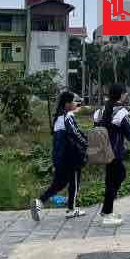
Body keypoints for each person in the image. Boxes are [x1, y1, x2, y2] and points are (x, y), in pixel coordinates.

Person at [93, 84, 130, 227]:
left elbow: (96, 130)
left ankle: (106, 210)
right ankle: (107, 214)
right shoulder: (121, 112)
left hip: (102, 151)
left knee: (113, 179)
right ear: (121, 95)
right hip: (114, 153)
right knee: (116, 178)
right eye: (125, 93)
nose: (126, 95)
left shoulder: (100, 111)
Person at [31, 90, 87, 221]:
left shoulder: (58, 118)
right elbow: (75, 134)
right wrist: (87, 144)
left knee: (59, 183)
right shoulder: (67, 117)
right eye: (73, 101)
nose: (75, 104)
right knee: (74, 181)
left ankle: (40, 201)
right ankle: (72, 209)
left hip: (59, 157)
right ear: (67, 104)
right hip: (70, 157)